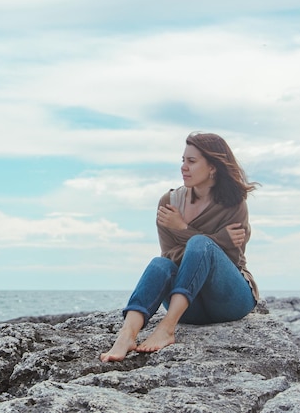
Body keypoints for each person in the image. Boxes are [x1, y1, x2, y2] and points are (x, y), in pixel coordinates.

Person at [100, 132, 259, 362]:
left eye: (192, 161)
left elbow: (231, 259)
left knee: (200, 244)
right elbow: (170, 255)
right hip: (190, 308)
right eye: (182, 160)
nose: (184, 167)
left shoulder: (234, 203)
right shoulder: (169, 203)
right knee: (160, 263)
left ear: (213, 167)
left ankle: (166, 328)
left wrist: (183, 230)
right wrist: (218, 240)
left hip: (230, 300)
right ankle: (126, 335)